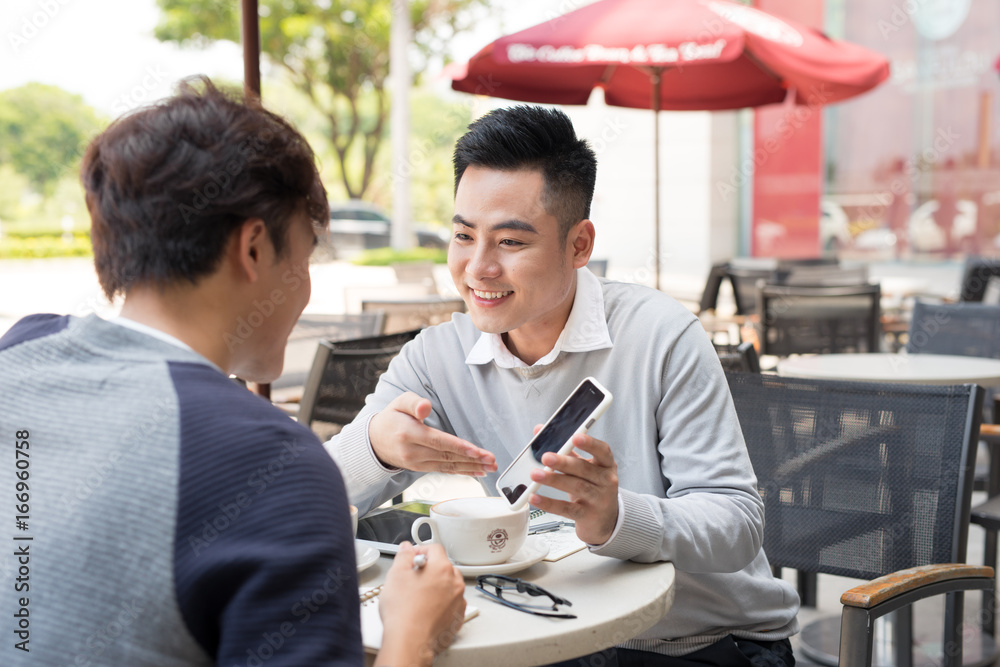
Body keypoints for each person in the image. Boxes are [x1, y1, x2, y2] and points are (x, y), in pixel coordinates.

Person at [0, 78, 464, 667]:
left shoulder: (21, 354)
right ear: (253, 248)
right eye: (305, 252)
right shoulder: (275, 462)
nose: (305, 282)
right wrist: (413, 635)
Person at [328, 105, 799, 666]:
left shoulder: (660, 335)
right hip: (549, 634)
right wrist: (378, 448)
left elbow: (736, 523)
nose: (478, 268)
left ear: (579, 245)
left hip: (701, 644)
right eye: (462, 235)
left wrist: (615, 517)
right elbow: (310, 502)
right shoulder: (436, 357)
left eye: (510, 242)